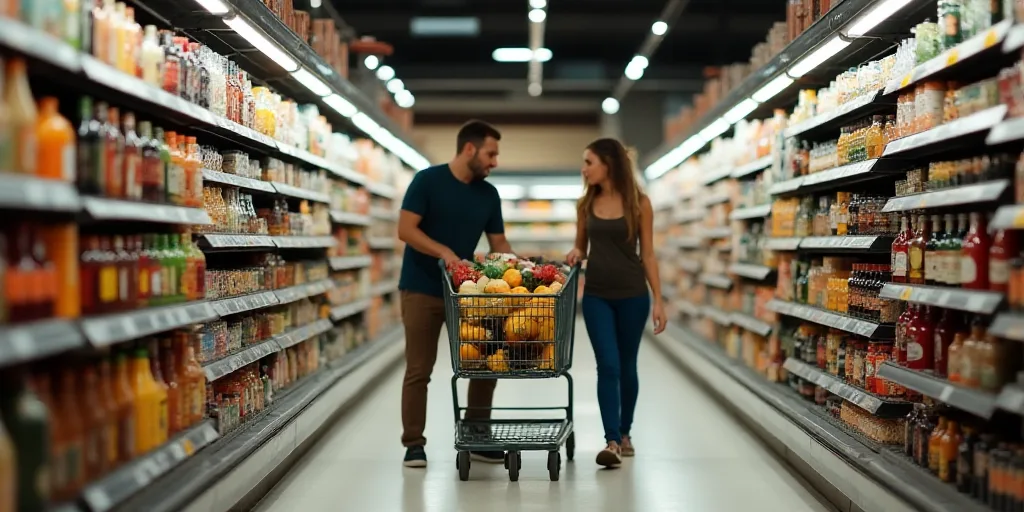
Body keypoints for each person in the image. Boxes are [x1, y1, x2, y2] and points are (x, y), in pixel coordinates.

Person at [396, 120, 513, 468]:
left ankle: (477, 435)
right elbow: (405, 229)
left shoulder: (488, 195)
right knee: (420, 368)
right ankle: (413, 443)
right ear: (469, 149)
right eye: (491, 154)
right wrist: (444, 252)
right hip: (421, 288)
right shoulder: (427, 181)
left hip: (467, 295)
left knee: (485, 361)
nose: (494, 162)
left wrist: (518, 267)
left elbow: (499, 243)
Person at [565, 138, 667, 468]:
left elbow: (648, 253)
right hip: (596, 296)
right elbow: (581, 246)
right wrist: (576, 253)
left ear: (608, 163)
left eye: (588, 162)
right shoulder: (585, 204)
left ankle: (625, 432)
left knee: (627, 366)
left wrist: (659, 300)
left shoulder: (640, 203)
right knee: (607, 365)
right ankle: (611, 441)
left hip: (633, 295)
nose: (584, 169)